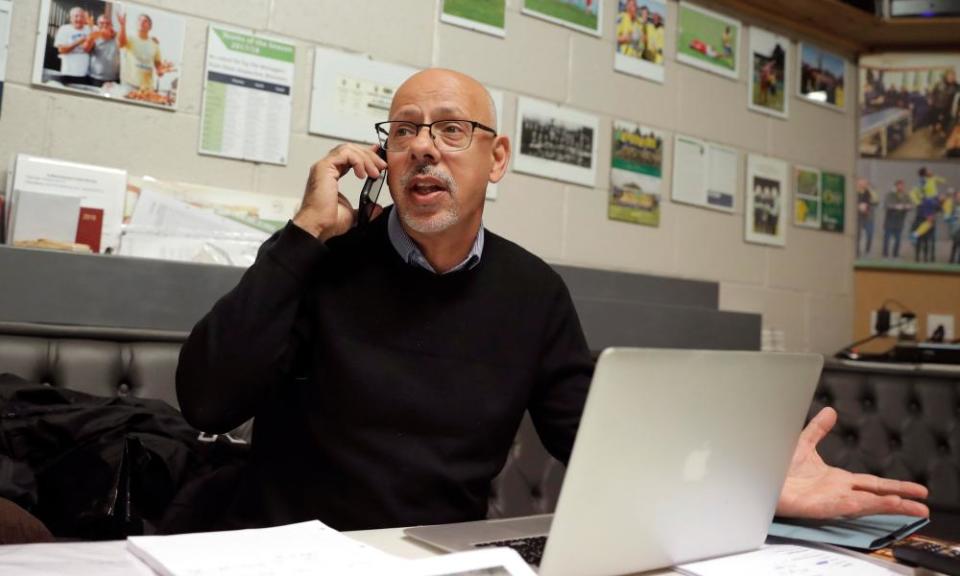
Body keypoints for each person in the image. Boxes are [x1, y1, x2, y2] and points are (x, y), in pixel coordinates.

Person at [176, 69, 928, 532]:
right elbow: (207, 401)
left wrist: (751, 483)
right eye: (404, 132)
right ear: (384, 156)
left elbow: (603, 442)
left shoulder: (532, 293)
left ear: (495, 158)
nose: (424, 147)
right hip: (287, 551)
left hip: (439, 560)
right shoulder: (319, 262)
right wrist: (304, 232)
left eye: (451, 129)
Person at [117, 11, 168, 93]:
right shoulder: (130, 38)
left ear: (150, 27)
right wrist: (122, 26)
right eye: (139, 20)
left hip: (147, 89)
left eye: (145, 21)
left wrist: (161, 71)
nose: (142, 22)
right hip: (129, 85)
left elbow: (159, 67)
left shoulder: (154, 44)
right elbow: (121, 43)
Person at [53, 7, 91, 80]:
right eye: (76, 16)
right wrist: (79, 41)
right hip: (67, 71)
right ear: (71, 18)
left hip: (85, 73)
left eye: (82, 16)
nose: (79, 19)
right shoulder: (64, 29)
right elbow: (61, 50)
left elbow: (90, 49)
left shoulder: (89, 29)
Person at [83, 14, 120, 87]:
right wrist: (93, 36)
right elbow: (85, 49)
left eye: (107, 23)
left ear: (111, 25)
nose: (105, 25)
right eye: (101, 23)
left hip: (113, 80)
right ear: (97, 25)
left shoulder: (117, 37)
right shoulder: (94, 36)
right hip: (95, 78)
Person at [882, 180, 911, 259]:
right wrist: (895, 206)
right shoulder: (890, 195)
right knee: (887, 238)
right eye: (899, 185)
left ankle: (895, 254)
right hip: (890, 220)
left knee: (898, 239)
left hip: (899, 221)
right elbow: (886, 205)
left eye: (902, 186)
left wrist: (907, 207)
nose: (901, 187)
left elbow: (910, 205)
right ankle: (885, 254)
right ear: (896, 186)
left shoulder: (906, 195)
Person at [856, 178, 878, 257]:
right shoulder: (856, 192)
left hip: (868, 217)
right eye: (860, 183)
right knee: (858, 235)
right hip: (858, 216)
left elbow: (876, 201)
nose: (862, 184)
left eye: (865, 183)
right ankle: (856, 251)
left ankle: (867, 251)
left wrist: (869, 189)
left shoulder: (869, 192)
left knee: (870, 234)